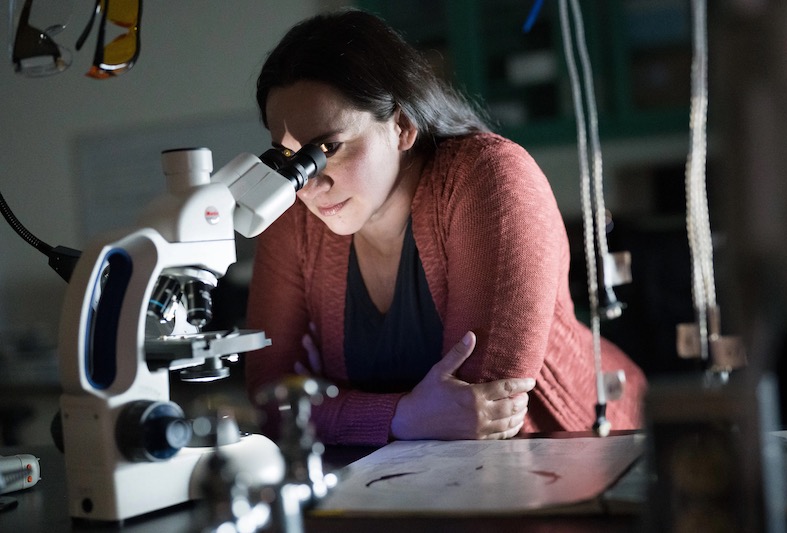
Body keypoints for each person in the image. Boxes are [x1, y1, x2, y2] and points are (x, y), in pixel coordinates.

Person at [245, 9, 646, 446]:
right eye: (289, 161)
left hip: (590, 451)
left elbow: (483, 410)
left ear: (401, 125)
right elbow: (271, 402)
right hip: (416, 478)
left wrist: (352, 416)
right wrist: (401, 416)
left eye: (328, 149)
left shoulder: (490, 178)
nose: (310, 184)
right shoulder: (294, 213)